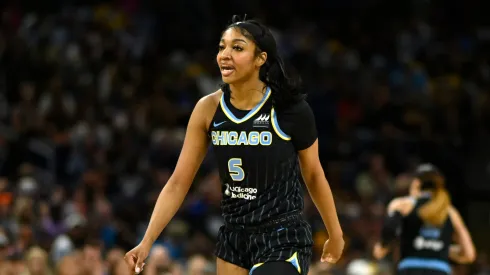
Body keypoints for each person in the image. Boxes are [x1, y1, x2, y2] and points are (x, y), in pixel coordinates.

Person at [124, 15, 344, 275]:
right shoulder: (207, 109)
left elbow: (314, 174)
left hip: (282, 233)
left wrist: (335, 232)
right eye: (221, 47)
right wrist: (147, 241)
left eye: (237, 48)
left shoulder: (290, 109)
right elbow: (178, 182)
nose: (224, 55)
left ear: (260, 58)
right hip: (234, 236)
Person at [373, 164, 476, 275]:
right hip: (439, 270)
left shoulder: (402, 205)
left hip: (410, 268)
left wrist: (380, 249)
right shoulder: (450, 212)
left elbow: (389, 231)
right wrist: (442, 248)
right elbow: (469, 254)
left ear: (416, 183)